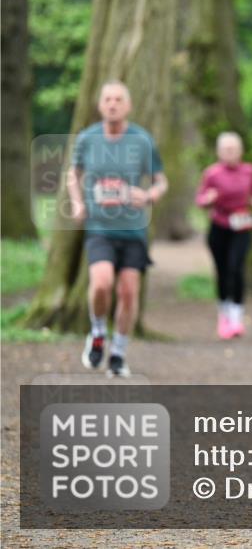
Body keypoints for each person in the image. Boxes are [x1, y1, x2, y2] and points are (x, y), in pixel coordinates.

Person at [70, 81, 168, 378]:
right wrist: (77, 203)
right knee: (101, 283)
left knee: (128, 291)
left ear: (128, 105)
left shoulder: (142, 140)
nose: (112, 104)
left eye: (118, 100)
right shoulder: (87, 139)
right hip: (99, 226)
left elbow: (161, 181)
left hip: (133, 230)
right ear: (100, 105)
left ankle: (118, 353)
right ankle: (98, 332)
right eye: (107, 99)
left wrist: (148, 195)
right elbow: (73, 175)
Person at [195, 132, 252, 339]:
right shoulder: (212, 173)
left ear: (240, 151)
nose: (230, 153)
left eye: (233, 149)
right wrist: (208, 199)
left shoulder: (249, 170)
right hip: (219, 226)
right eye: (226, 149)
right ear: (218, 152)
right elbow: (200, 200)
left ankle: (236, 317)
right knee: (223, 271)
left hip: (241, 225)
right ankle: (223, 315)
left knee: (236, 269)